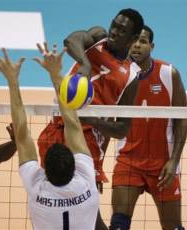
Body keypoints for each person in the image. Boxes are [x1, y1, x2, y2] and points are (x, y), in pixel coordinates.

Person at [37, 8, 144, 229]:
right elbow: (72, 39)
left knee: (86, 210)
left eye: (121, 30)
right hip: (57, 127)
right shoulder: (98, 37)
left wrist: (91, 118)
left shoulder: (132, 76)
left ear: (133, 39)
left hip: (88, 143)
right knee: (53, 195)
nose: (114, 32)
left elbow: (122, 128)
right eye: (114, 25)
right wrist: (85, 63)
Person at [0, 43, 100, 230]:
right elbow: (72, 125)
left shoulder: (38, 190)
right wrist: (56, 75)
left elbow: (21, 137)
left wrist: (12, 80)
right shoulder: (86, 182)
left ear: (44, 170)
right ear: (75, 167)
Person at [109, 25, 187, 230]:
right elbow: (107, 122)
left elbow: (182, 120)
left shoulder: (169, 74)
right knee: (118, 226)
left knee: (174, 228)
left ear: (151, 46)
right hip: (129, 161)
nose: (137, 45)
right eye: (134, 41)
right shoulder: (117, 76)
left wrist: (174, 161)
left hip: (163, 165)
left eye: (143, 41)